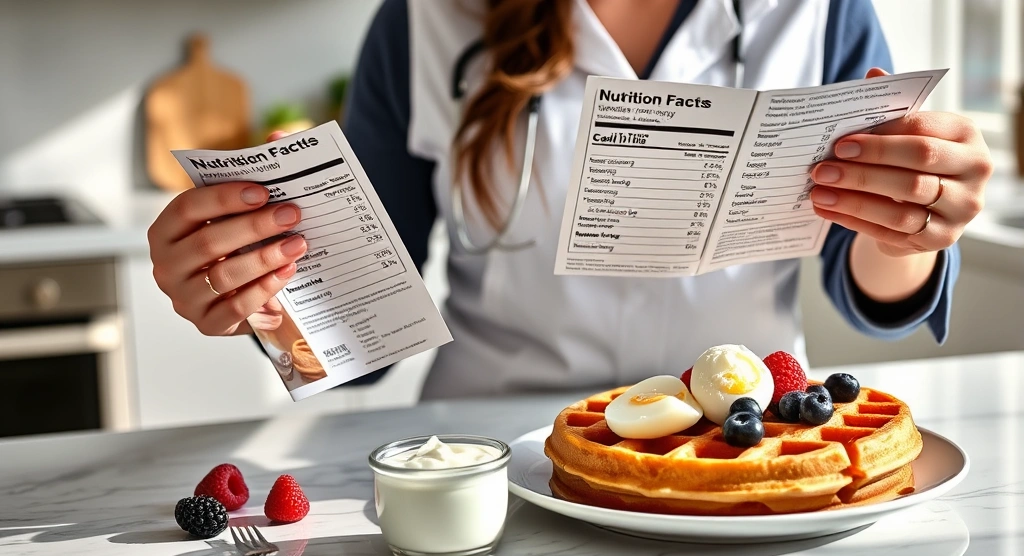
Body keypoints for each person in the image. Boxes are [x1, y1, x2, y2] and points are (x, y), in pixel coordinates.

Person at [148, 0, 993, 400]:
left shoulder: (822, 11)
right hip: (492, 460)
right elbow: (355, 331)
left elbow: (873, 287)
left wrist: (910, 222)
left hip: (744, 441)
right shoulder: (424, 20)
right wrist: (255, 292)